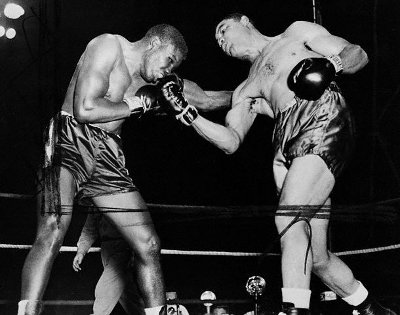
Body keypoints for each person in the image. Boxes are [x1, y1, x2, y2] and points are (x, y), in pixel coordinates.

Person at [158, 14, 396, 315]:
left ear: (245, 21)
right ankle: (371, 309)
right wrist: (188, 115)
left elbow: (357, 53)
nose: (221, 41)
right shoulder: (246, 89)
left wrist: (331, 65)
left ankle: (293, 310)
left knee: (287, 218)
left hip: (320, 116)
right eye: (217, 41)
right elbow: (231, 140)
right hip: (285, 142)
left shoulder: (295, 34)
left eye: (223, 29)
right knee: (318, 258)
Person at [18, 24, 188, 315]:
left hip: (109, 151)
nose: (167, 71)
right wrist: (136, 104)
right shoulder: (108, 45)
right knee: (53, 228)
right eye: (169, 60)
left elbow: (205, 97)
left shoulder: (155, 83)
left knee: (148, 243)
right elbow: (85, 108)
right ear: (155, 43)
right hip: (70, 134)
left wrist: (252, 94)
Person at [72, 210, 145, 315]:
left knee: (105, 289)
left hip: (124, 245)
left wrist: (135, 248)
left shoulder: (122, 197)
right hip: (106, 247)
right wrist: (81, 252)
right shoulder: (94, 201)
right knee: (127, 295)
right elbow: (89, 229)